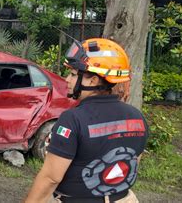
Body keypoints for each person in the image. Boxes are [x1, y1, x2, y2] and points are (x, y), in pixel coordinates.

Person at [25, 38, 148, 203]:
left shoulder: (72, 119)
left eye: (74, 74)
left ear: (93, 80)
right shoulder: (137, 116)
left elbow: (50, 178)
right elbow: (132, 162)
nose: (67, 80)